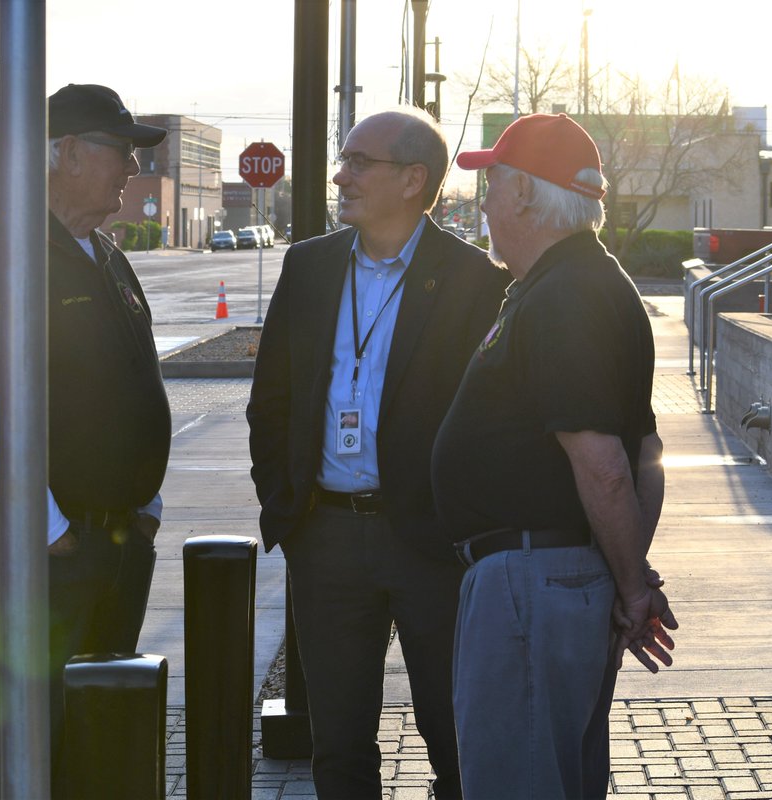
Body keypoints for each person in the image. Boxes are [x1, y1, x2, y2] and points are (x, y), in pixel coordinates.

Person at [247, 106, 511, 799]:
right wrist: (288, 511)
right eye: (345, 160)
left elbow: (494, 427)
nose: (341, 175)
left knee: (456, 739)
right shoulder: (308, 267)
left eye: (360, 162)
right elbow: (269, 401)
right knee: (338, 748)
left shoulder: (475, 282)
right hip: (325, 539)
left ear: (413, 179)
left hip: (432, 549)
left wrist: (465, 532)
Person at [431, 113, 679, 798]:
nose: (483, 202)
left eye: (493, 185)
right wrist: (626, 576)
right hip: (548, 581)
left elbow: (605, 463)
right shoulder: (581, 284)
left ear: (526, 196)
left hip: (528, 588)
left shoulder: (567, 295)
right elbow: (647, 455)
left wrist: (631, 586)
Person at [0, 83, 171, 799]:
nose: (132, 169)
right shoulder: (9, 259)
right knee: (25, 737)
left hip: (113, 543)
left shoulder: (103, 255)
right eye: (121, 151)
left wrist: (146, 503)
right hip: (52, 554)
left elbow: (132, 386)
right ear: (67, 153)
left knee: (96, 733)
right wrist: (47, 531)